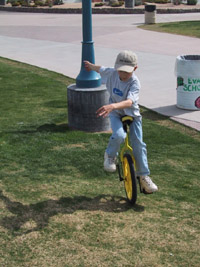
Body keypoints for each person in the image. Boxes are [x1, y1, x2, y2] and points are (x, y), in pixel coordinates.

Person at [84, 50, 158, 193]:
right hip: (116, 114)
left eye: (127, 72)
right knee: (119, 135)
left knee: (138, 145)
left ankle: (143, 176)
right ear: (116, 67)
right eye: (120, 71)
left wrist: (111, 106)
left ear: (135, 69)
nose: (123, 75)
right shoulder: (112, 73)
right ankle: (110, 155)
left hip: (132, 115)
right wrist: (91, 66)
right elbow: (101, 69)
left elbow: (130, 102)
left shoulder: (135, 83)